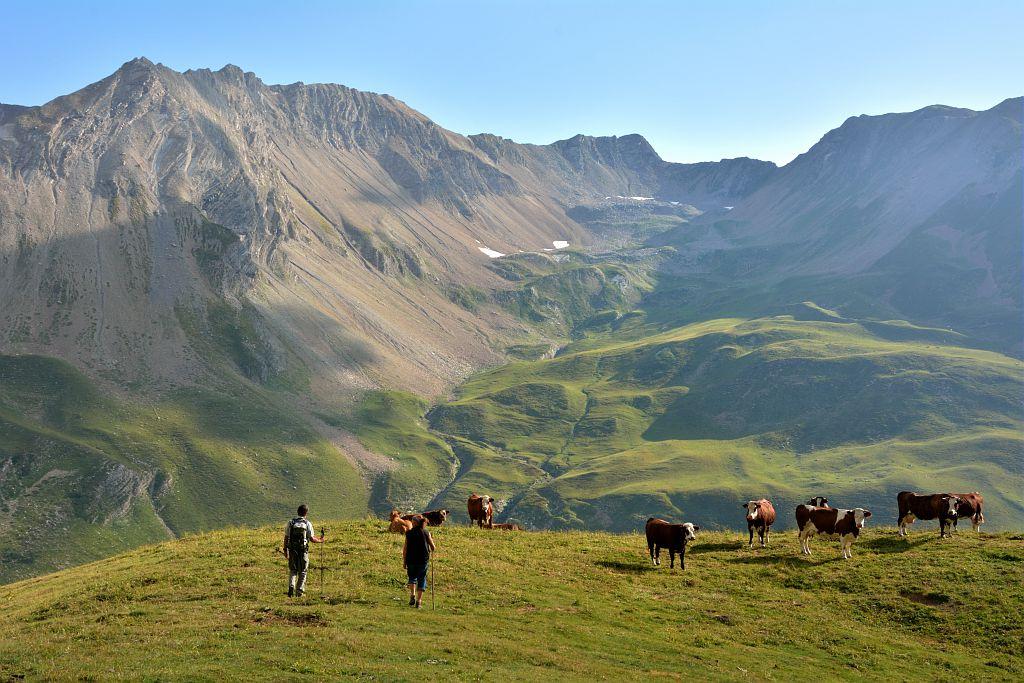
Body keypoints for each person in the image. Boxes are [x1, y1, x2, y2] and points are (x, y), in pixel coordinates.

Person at [283, 504, 324, 597]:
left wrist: (285, 550)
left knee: (293, 570)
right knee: (303, 571)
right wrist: (320, 540)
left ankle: (291, 586)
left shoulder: (291, 523)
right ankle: (299, 592)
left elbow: (286, 537)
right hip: (303, 551)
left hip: (292, 550)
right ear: (306, 513)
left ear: (297, 512)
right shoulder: (307, 523)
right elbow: (312, 539)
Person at [402, 515, 435, 608]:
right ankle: (419, 602)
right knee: (422, 579)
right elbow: (433, 547)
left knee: (412, 577)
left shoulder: (409, 533)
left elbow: (405, 549)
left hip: (411, 559)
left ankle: (412, 595)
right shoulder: (426, 532)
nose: (411, 523)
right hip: (423, 560)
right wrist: (431, 544)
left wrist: (404, 562)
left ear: (415, 523)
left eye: (412, 522)